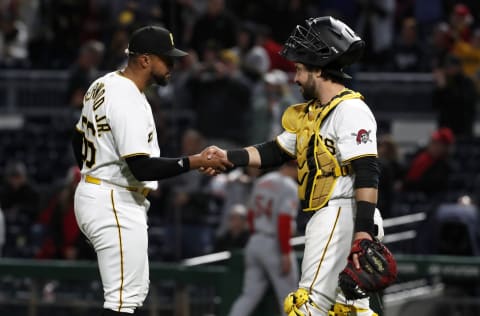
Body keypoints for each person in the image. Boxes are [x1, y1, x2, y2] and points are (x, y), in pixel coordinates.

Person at [204, 16, 383, 315]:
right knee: (349, 310)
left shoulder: (350, 110)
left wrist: (363, 231)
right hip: (336, 215)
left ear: (317, 67)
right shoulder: (314, 114)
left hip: (342, 213)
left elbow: (368, 172)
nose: (296, 78)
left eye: (300, 69)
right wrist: (227, 156)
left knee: (305, 307)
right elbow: (274, 151)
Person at [71, 25, 231, 315]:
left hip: (101, 193)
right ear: (145, 60)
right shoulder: (128, 98)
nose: (173, 66)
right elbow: (141, 166)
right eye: (166, 59)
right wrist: (195, 161)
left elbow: (77, 137)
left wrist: (92, 182)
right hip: (112, 199)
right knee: (123, 301)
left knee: (132, 294)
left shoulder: (103, 83)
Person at [228, 161, 299, 316]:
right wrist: (285, 252)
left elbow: (251, 215)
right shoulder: (289, 186)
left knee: (249, 295)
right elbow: (284, 220)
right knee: (289, 297)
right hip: (275, 244)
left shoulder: (263, 180)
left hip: (255, 241)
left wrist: (257, 235)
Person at [403, 127, 455, 198]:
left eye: (437, 143)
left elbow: (430, 185)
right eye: (432, 142)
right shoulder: (421, 155)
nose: (432, 145)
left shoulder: (445, 166)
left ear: (445, 147)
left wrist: (405, 185)